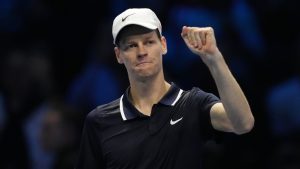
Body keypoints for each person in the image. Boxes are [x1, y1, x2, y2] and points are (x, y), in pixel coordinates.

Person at [75, 8, 254, 169]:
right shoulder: (99, 121)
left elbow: (242, 123)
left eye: (149, 42)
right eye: (131, 45)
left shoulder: (193, 104)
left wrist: (214, 58)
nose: (141, 51)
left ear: (163, 45)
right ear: (118, 55)